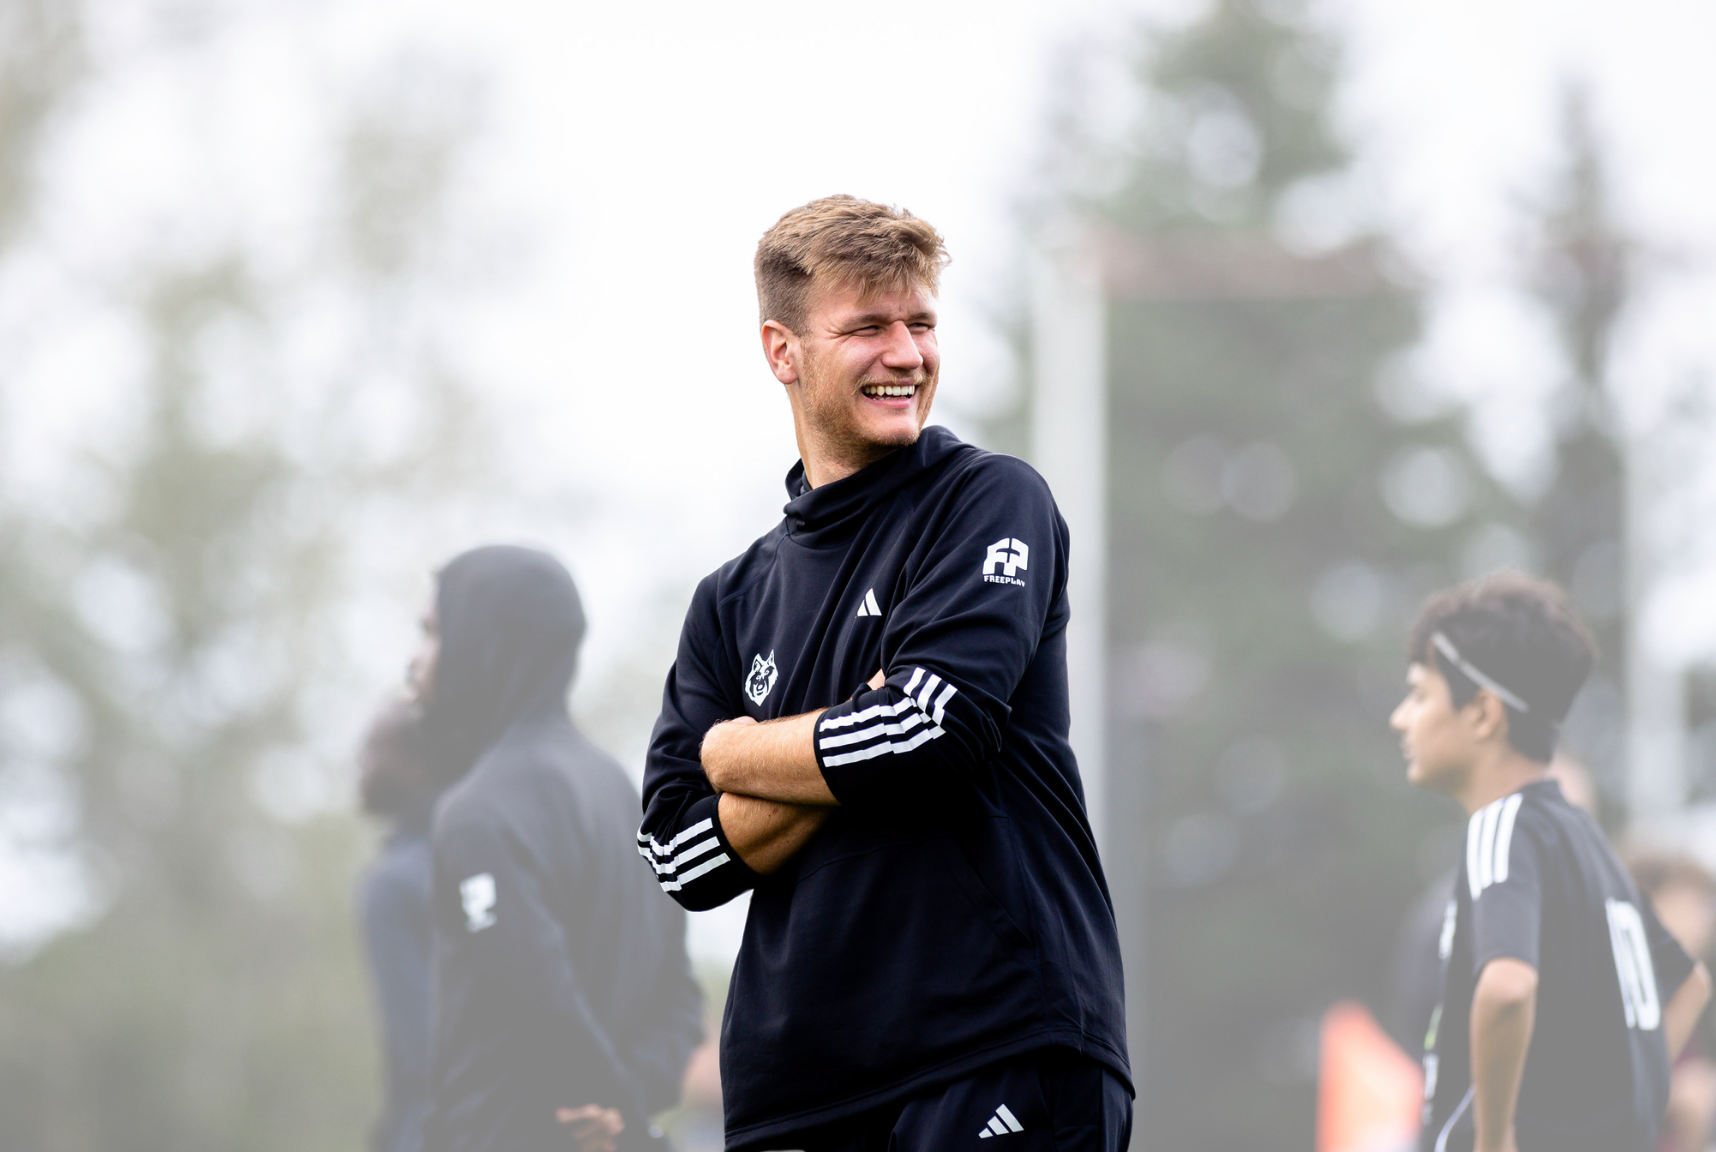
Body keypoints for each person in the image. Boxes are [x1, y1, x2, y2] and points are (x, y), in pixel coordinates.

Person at [638, 196, 1130, 1152]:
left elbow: (932, 731)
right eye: (868, 327)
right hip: (795, 1091)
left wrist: (738, 752)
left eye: (923, 324)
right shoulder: (730, 599)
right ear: (782, 350)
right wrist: (851, 737)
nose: (907, 354)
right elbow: (678, 855)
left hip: (995, 1042)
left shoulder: (989, 502)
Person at [1390, 573, 1712, 1152]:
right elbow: (1688, 981)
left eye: (1418, 695)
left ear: (1484, 713)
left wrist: (1493, 1138)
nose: (1401, 718)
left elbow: (1508, 988)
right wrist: (1614, 1120)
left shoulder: (1499, 827)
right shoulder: (1589, 842)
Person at [414, 545, 703, 1152]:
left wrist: (605, 1102)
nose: (414, 662)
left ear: (484, 643)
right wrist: (624, 1110)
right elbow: (680, 1006)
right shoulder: (625, 794)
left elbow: (539, 1000)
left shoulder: (477, 813)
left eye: (432, 633)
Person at [357, 698, 441, 1152]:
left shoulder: (392, 884)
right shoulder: (478, 846)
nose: (359, 764)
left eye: (372, 749)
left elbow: (419, 1053)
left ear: (415, 765)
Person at [1626, 851, 1716, 1152]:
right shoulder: (1631, 996)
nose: (1704, 923)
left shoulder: (1683, 992)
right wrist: (1679, 1097)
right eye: (1692, 907)